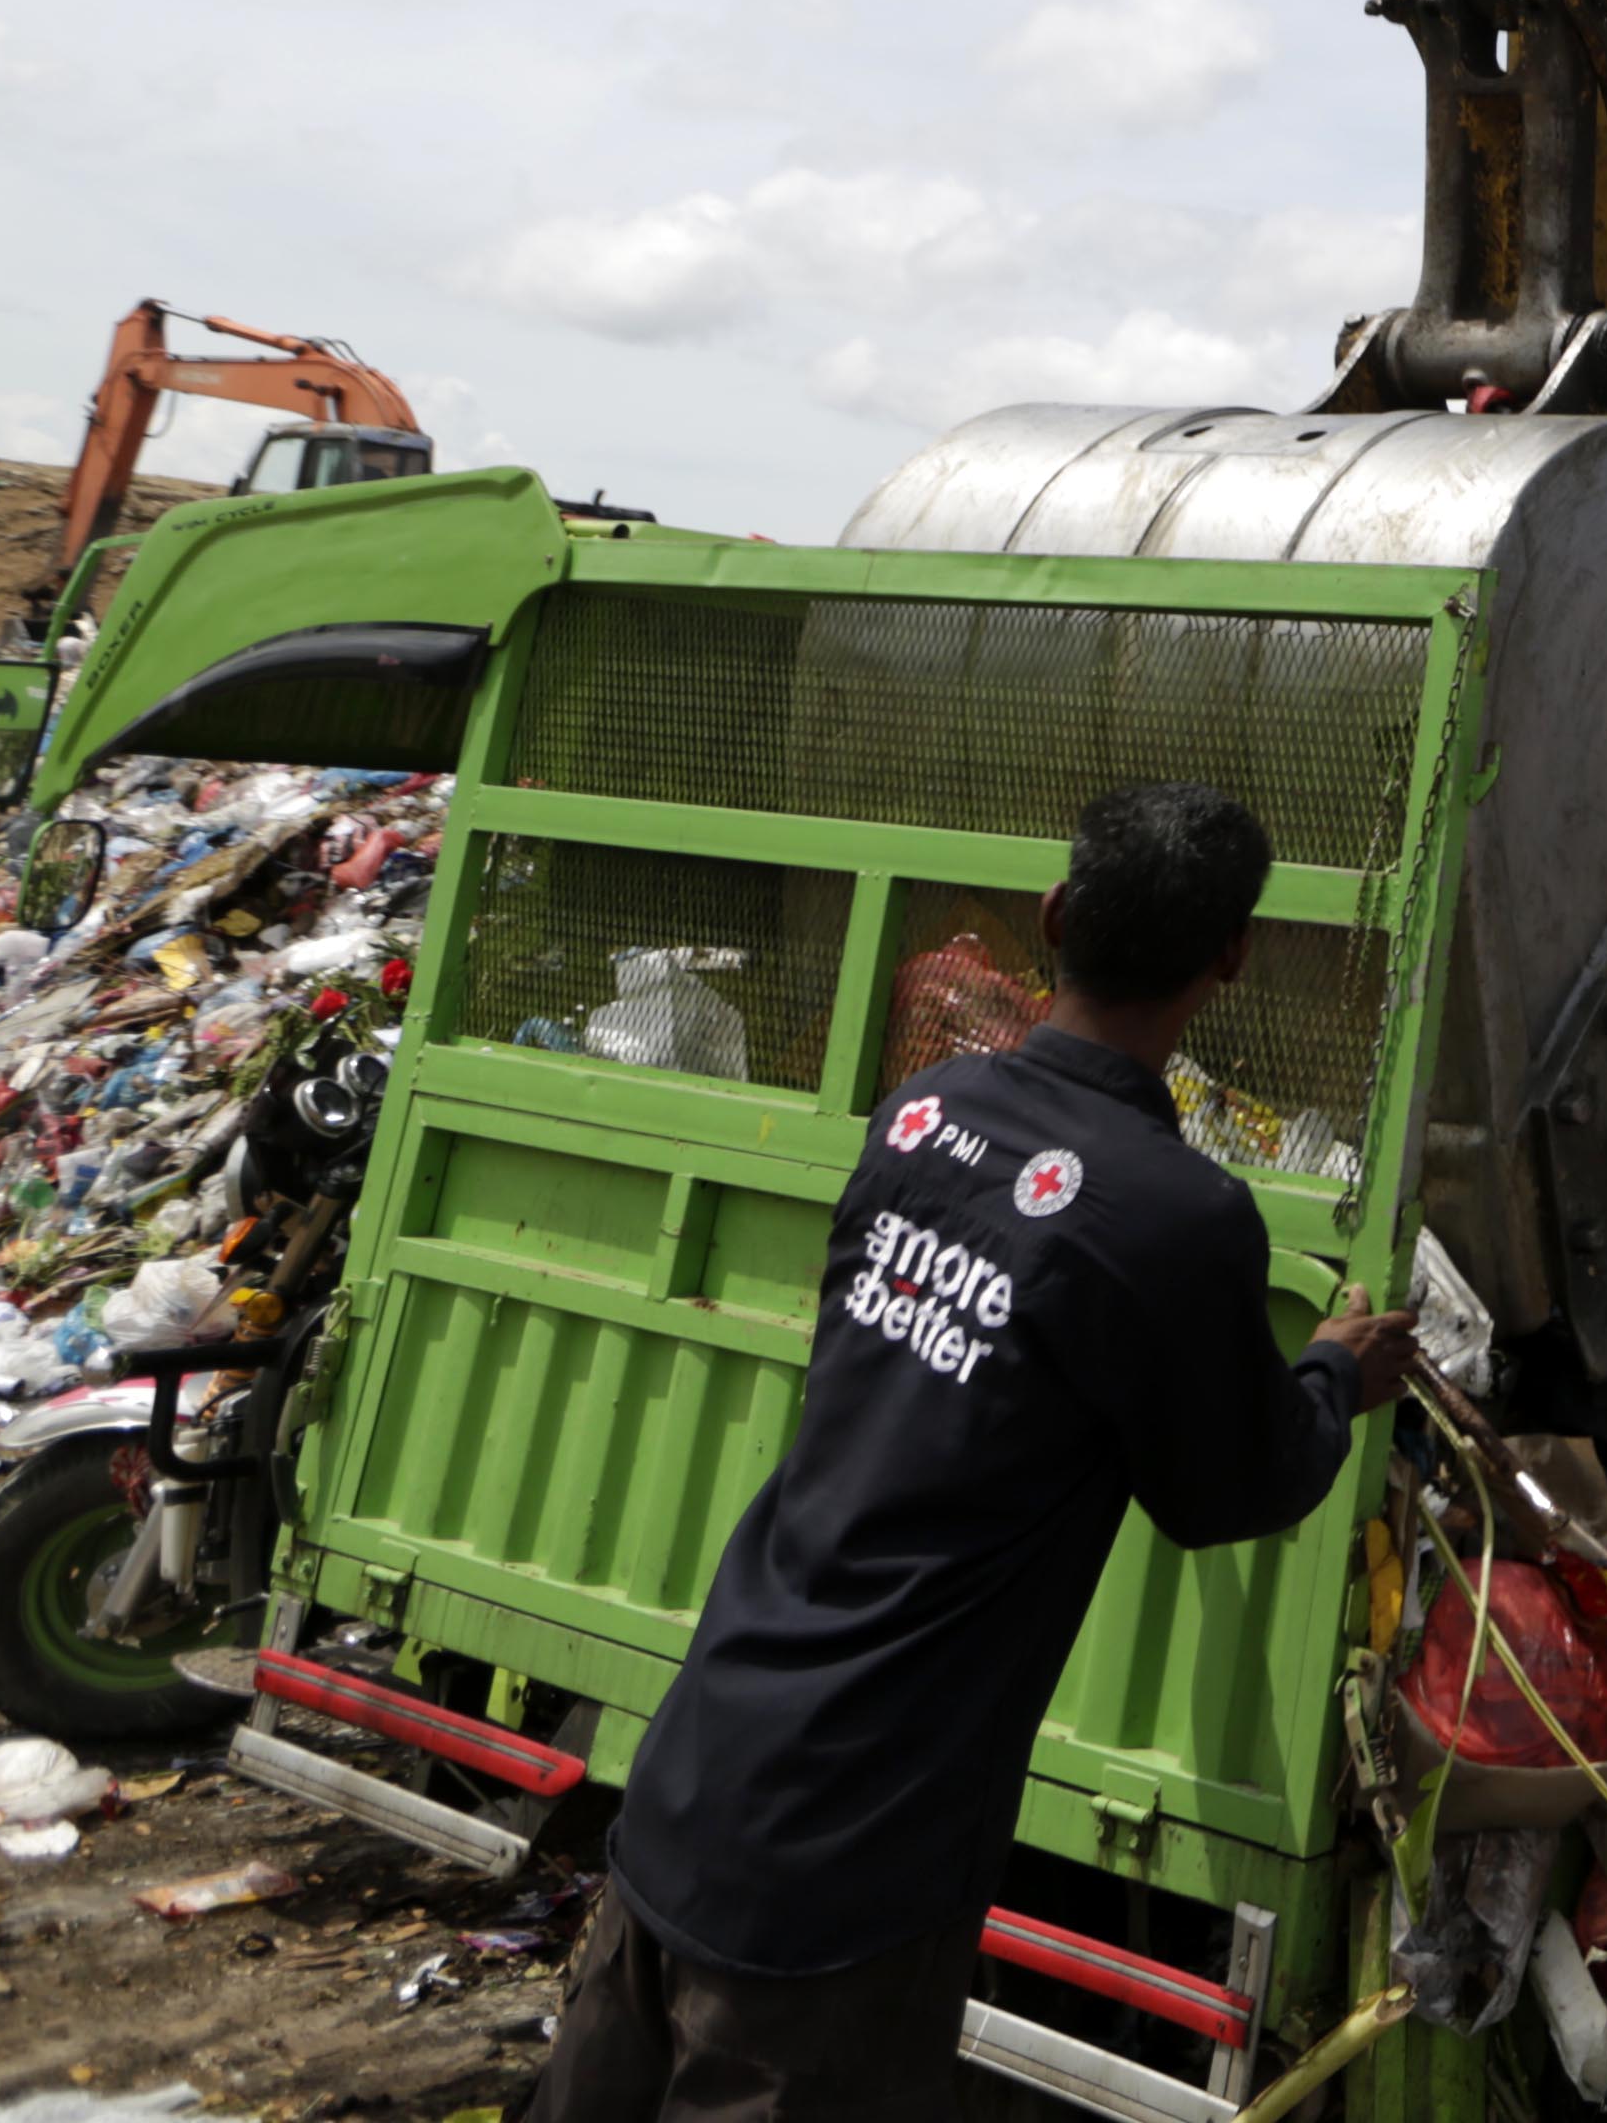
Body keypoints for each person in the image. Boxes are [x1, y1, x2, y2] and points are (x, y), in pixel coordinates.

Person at [533, 780, 1421, 2123]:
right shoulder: (1180, 1216)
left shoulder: (921, 1113)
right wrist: (1327, 1382)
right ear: (1234, 957)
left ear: (1054, 914)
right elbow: (1224, 1488)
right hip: (854, 1854)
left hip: (704, 1761)